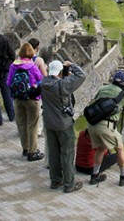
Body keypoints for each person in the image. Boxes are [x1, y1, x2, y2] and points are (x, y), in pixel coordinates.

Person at [85, 70, 124, 186]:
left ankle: (95, 175)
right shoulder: (122, 95)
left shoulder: (103, 89)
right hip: (106, 127)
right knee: (120, 149)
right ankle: (123, 176)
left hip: (93, 125)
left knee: (101, 149)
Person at [41, 60, 85, 193]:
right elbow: (81, 76)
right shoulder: (63, 85)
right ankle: (69, 183)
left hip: (49, 123)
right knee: (67, 154)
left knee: (53, 153)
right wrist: (71, 65)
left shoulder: (43, 83)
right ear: (61, 72)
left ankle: (55, 180)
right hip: (63, 124)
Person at [6, 42, 44, 161]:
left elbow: (8, 82)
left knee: (21, 124)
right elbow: (40, 79)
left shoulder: (14, 66)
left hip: (17, 99)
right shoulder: (32, 66)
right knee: (32, 125)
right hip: (31, 99)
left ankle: (25, 148)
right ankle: (33, 152)